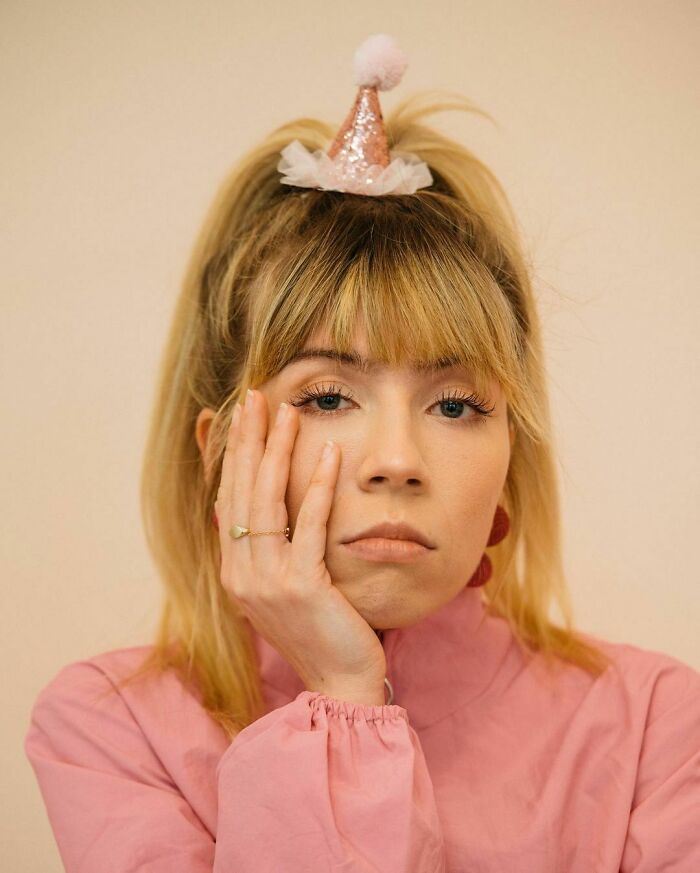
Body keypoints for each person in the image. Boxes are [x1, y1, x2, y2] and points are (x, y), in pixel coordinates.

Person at [24, 34, 700, 872]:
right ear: (222, 451)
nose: (397, 459)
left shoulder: (656, 726)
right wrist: (340, 694)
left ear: (509, 461)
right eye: (328, 397)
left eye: (455, 404)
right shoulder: (112, 727)